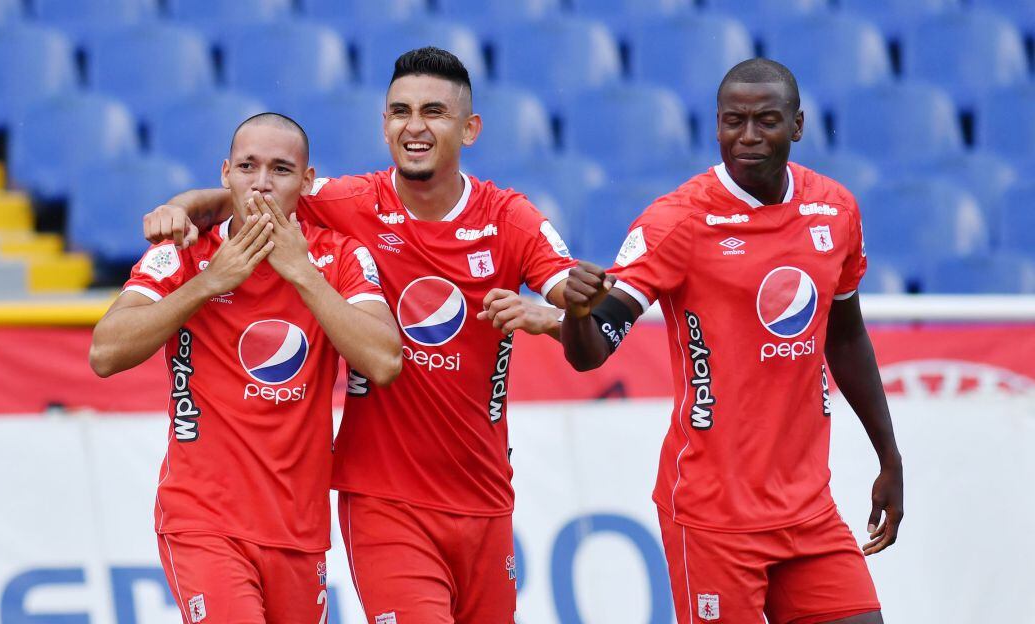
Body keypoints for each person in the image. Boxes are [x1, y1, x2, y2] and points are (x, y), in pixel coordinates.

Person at [143, 48, 576, 623]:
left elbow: (593, 314)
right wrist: (179, 206)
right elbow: (252, 194)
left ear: (470, 128)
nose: (414, 126)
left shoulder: (508, 217)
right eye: (400, 111)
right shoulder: (348, 205)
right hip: (382, 496)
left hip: (484, 491)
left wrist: (562, 320)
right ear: (384, 124)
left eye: (433, 112)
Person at [560, 59, 903, 624]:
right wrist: (576, 313)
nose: (747, 137)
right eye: (732, 121)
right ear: (715, 126)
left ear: (797, 125)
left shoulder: (834, 209)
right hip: (712, 516)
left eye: (765, 121)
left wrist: (888, 457)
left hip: (807, 510)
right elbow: (591, 349)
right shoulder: (677, 222)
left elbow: (846, 339)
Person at [90, 113, 402, 624]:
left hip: (298, 531)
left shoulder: (338, 257)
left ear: (306, 181)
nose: (260, 183)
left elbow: (385, 361)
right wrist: (212, 282)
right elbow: (105, 353)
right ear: (225, 174)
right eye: (247, 166)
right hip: (204, 522)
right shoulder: (187, 253)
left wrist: (301, 274)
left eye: (280, 169)